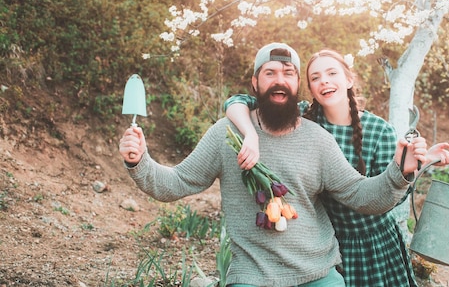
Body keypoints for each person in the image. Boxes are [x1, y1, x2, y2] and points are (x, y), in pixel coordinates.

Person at [118, 43, 430, 287]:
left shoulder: (317, 138)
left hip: (318, 272)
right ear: (255, 83)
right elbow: (176, 182)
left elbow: (362, 195)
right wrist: (140, 161)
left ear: (297, 84)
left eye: (288, 73)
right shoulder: (226, 134)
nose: (279, 81)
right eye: (270, 73)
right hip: (253, 274)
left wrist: (400, 172)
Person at [224, 49, 449, 287]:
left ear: (348, 80)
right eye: (315, 77)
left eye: (331, 73)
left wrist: (420, 164)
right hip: (326, 245)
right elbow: (238, 101)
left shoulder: (379, 131)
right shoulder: (303, 121)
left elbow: (392, 198)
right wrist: (250, 134)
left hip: (375, 243)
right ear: (311, 89)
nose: (324, 80)